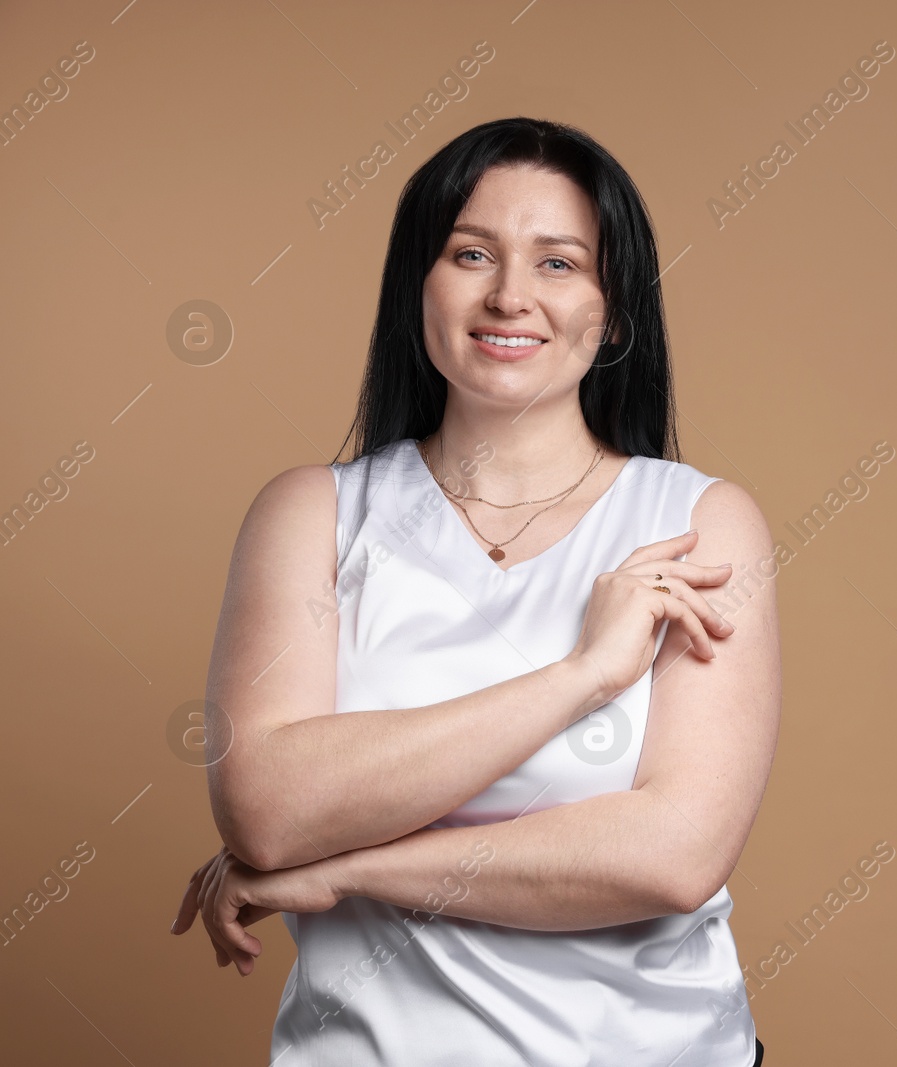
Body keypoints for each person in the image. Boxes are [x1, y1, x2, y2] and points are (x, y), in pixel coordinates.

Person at [168, 117, 779, 1066]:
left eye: (559, 264)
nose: (509, 295)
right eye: (471, 253)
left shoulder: (702, 523)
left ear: (615, 312)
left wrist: (349, 867)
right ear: (419, 285)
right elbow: (265, 809)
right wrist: (581, 675)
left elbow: (673, 854)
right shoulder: (312, 515)